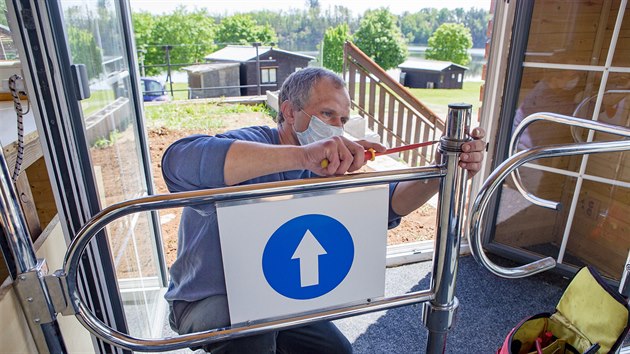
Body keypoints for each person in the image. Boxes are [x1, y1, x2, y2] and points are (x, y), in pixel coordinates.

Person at [162, 67, 486, 353]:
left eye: (342, 120)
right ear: (290, 112)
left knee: (337, 350)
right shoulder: (253, 145)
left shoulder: (327, 167)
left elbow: (387, 203)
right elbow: (178, 161)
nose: (336, 128)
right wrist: (301, 156)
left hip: (273, 294)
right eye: (327, 114)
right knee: (254, 337)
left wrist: (442, 172)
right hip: (206, 297)